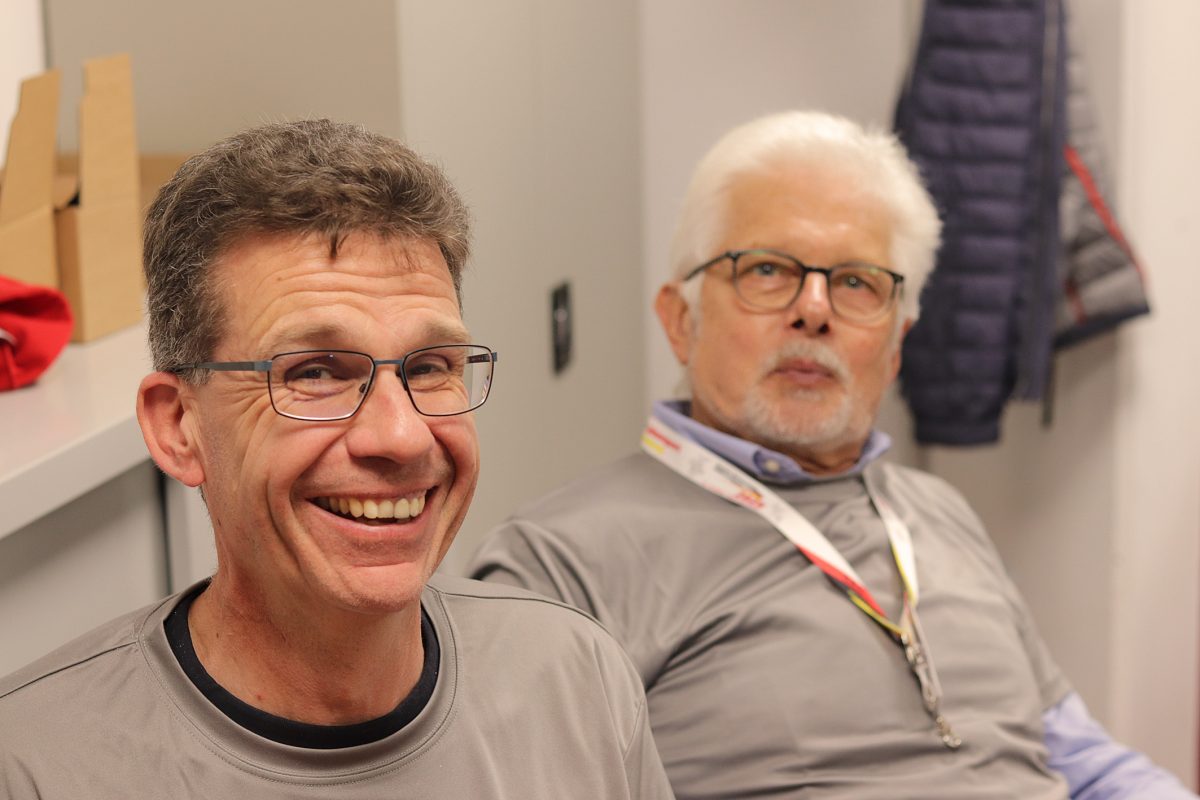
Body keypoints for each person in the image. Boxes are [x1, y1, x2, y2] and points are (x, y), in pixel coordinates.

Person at [469, 111, 1196, 799]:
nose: (814, 309)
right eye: (766, 270)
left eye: (855, 282)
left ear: (897, 343)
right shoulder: (559, 562)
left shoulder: (939, 512)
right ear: (680, 319)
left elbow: (1080, 757)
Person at [0, 120, 673, 799]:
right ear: (179, 427)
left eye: (431, 366)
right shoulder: (34, 767)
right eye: (316, 372)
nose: (403, 437)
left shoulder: (577, 684)